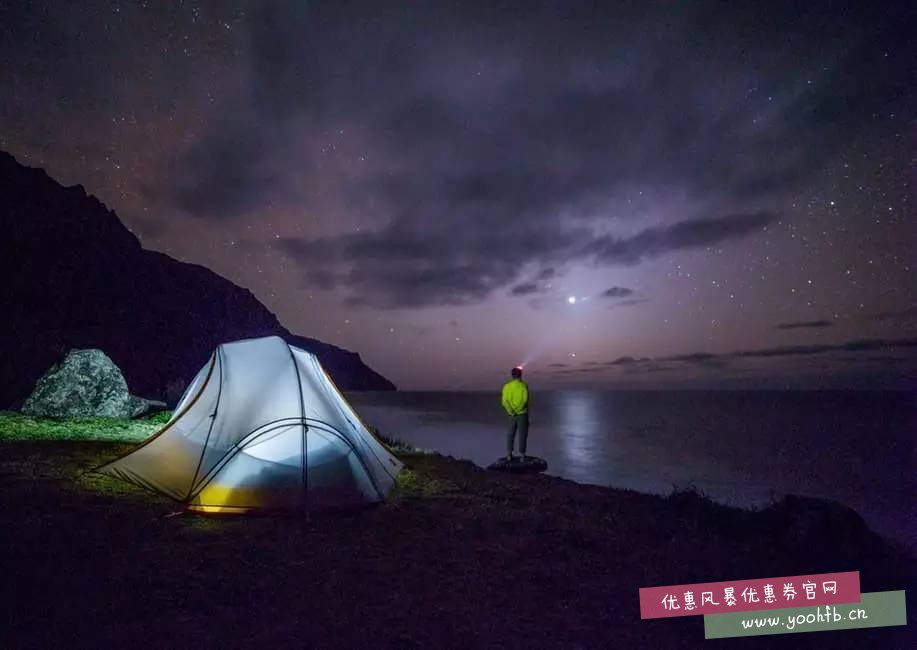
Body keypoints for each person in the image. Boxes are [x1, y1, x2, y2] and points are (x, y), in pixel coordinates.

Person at [501, 366, 529, 461]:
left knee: (510, 434)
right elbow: (525, 400)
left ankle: (509, 454)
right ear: (520, 375)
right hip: (522, 414)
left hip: (511, 415)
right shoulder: (523, 385)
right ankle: (522, 455)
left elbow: (504, 401)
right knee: (522, 434)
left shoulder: (506, 386)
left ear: (512, 375)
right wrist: (518, 410)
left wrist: (511, 411)